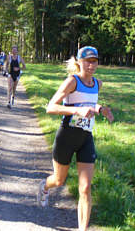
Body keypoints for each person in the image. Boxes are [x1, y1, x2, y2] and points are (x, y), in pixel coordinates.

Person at [37, 46, 114, 231]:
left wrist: (100, 109)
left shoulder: (98, 83)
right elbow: (50, 107)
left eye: (94, 61)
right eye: (87, 61)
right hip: (66, 136)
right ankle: (44, 186)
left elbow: (90, 101)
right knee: (59, 180)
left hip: (85, 138)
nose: (91, 65)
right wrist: (76, 110)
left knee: (86, 188)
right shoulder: (72, 81)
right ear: (79, 62)